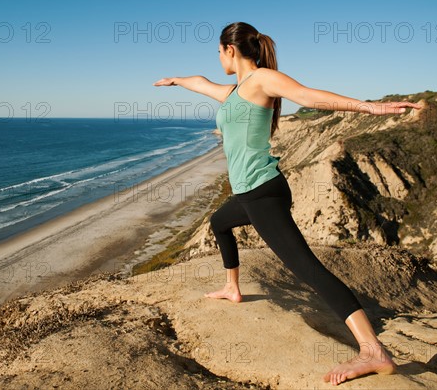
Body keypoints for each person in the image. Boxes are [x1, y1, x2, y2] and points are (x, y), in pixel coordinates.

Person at [153, 21, 422, 386]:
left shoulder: (262, 80)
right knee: (219, 223)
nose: (217, 58)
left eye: (218, 51)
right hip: (248, 195)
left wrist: (369, 108)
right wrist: (176, 80)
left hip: (263, 192)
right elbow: (200, 81)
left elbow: (309, 97)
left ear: (230, 50)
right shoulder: (235, 93)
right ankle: (233, 288)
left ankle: (373, 349)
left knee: (307, 269)